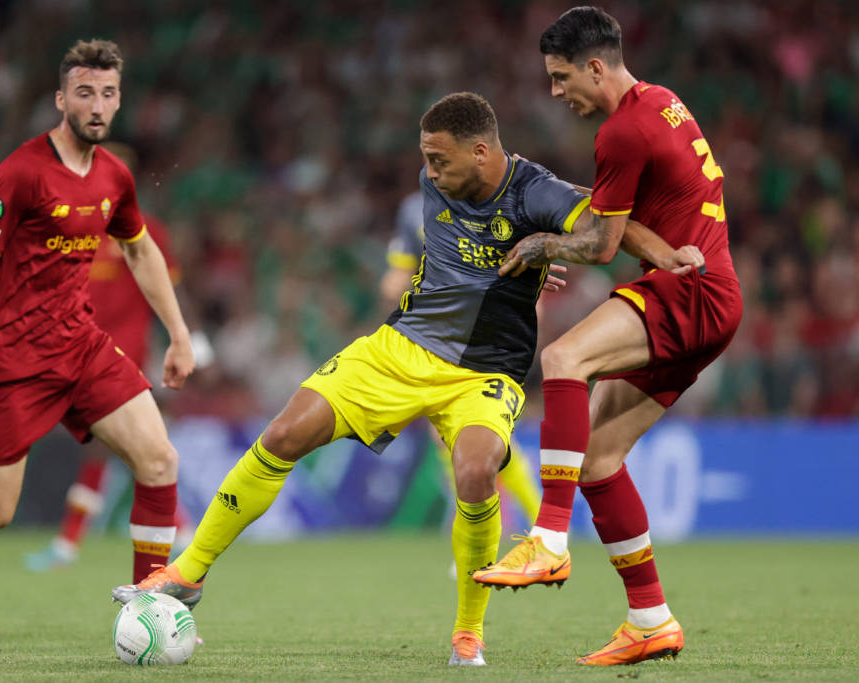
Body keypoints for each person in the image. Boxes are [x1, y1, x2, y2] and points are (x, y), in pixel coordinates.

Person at [111, 92, 696, 666]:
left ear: (481, 152)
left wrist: (661, 256)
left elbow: (607, 223)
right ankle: (189, 572)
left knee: (475, 471)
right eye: (426, 158)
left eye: (440, 159)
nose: (429, 171)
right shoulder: (435, 183)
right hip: (401, 347)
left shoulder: (535, 190)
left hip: (486, 371)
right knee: (284, 433)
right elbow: (459, 255)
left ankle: (468, 634)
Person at [473, 7, 741, 666]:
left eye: (562, 77)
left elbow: (599, 244)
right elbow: (630, 219)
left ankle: (548, 538)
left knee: (564, 356)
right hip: (708, 288)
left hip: (691, 292)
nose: (556, 91)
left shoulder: (621, 133)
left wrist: (542, 244)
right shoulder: (662, 103)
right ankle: (651, 619)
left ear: (596, 67)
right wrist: (656, 246)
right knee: (597, 459)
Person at [0, 39, 197, 586]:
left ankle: (151, 599)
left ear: (119, 101)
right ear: (61, 100)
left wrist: (179, 334)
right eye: (84, 93)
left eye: (107, 94)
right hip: (13, 358)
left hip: (81, 344)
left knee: (159, 460)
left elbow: (141, 250)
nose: (96, 106)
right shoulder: (21, 173)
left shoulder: (115, 176)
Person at [23, 142, 206, 572]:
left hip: (122, 358)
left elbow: (171, 290)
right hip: (77, 355)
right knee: (126, 450)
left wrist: (191, 339)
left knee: (109, 449)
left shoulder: (145, 231)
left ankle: (69, 543)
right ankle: (182, 533)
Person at [381, 191, 545, 530]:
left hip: (487, 326)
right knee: (449, 431)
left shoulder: (495, 199)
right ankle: (523, 520)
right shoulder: (414, 209)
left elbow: (522, 265)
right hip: (445, 331)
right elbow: (399, 273)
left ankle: (531, 520)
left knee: (474, 430)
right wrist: (396, 286)